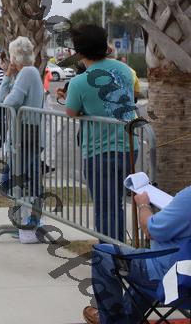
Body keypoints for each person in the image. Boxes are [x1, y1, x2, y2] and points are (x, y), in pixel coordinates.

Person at [58, 24, 137, 242]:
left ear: (79, 52)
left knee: (104, 208)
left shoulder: (78, 82)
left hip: (99, 152)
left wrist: (70, 99)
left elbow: (71, 112)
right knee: (117, 205)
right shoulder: (124, 70)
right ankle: (119, 249)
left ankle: (109, 253)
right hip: (129, 146)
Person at [83, 185, 191, 324]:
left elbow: (151, 230)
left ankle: (112, 321)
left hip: (177, 281)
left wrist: (143, 204)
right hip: (179, 273)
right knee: (140, 261)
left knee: (102, 254)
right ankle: (126, 319)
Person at [0, 37, 45, 204]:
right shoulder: (29, 72)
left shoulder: (26, 73)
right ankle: (32, 214)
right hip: (29, 135)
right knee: (31, 181)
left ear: (14, 57)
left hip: (25, 135)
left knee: (10, 180)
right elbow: (2, 101)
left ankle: (27, 214)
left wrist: (7, 77)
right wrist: (8, 76)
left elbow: (8, 101)